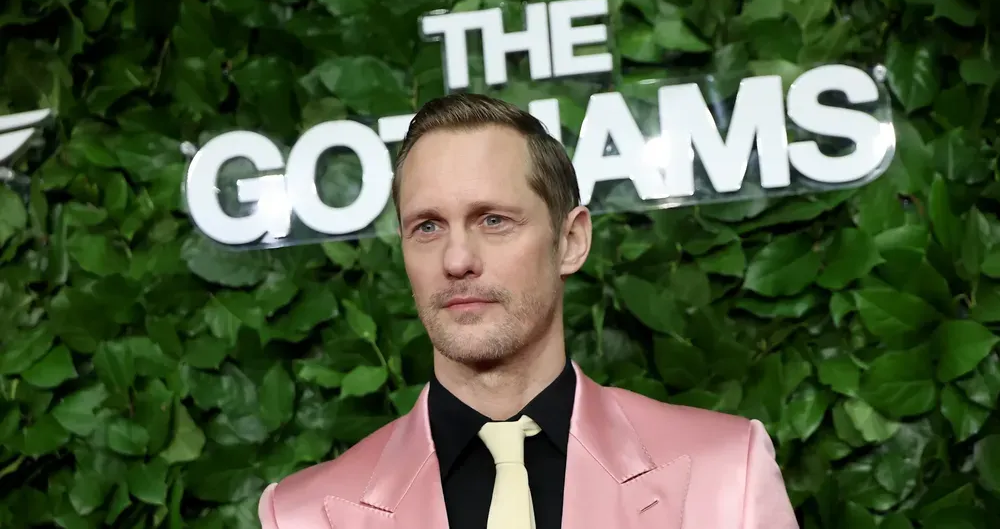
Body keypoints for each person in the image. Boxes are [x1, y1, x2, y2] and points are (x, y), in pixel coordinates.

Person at [257, 93, 799, 529]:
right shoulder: (302, 516)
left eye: (493, 220)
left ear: (571, 242)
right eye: (427, 226)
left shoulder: (728, 471)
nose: (457, 260)